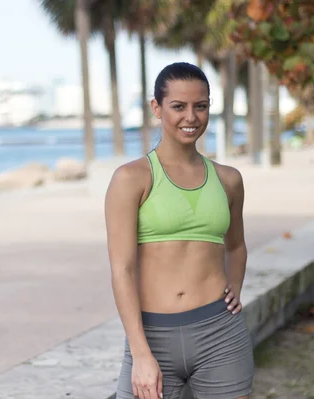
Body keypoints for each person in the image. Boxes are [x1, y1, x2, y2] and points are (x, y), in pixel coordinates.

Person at [105, 62, 254, 399]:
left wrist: (235, 287)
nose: (191, 117)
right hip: (152, 336)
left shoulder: (229, 180)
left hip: (220, 334)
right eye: (178, 106)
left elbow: (236, 246)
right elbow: (122, 270)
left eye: (200, 106)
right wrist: (141, 353)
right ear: (156, 108)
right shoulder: (131, 179)